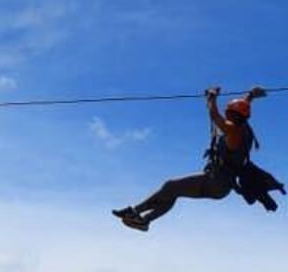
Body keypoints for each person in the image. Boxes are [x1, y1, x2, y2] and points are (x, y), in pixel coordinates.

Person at [113, 85, 277, 232]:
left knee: (170, 186)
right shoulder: (242, 127)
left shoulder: (233, 130)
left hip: (216, 182)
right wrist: (250, 95)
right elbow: (241, 108)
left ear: (231, 114)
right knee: (172, 191)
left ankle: (136, 213)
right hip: (220, 184)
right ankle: (142, 219)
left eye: (228, 112)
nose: (225, 113)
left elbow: (215, 116)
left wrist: (212, 97)